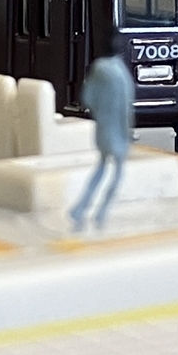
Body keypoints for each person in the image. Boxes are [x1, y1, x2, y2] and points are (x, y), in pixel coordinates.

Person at [69, 34, 135, 231]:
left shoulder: (98, 69)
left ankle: (81, 208)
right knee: (117, 174)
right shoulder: (121, 72)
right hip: (119, 132)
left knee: (101, 168)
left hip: (103, 130)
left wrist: (101, 115)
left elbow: (87, 97)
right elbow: (126, 108)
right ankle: (101, 211)